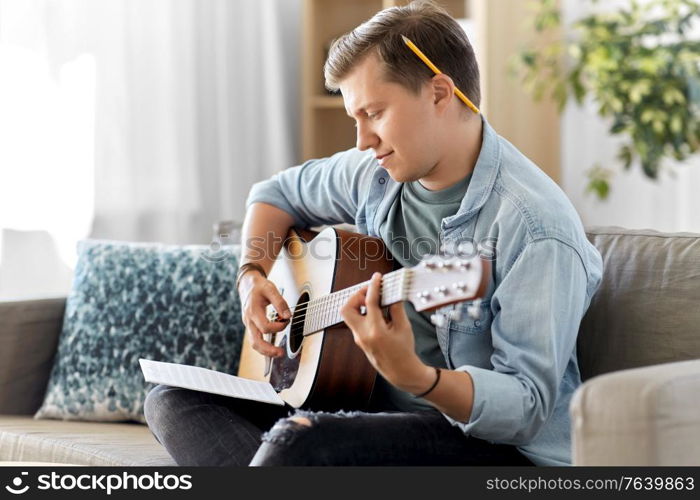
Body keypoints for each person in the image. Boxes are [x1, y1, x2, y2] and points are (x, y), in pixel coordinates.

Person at [144, 0, 603, 466]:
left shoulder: (535, 227)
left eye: (375, 113)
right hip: (361, 405)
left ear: (440, 93)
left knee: (300, 443)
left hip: (484, 443)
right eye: (354, 118)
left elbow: (525, 406)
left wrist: (416, 376)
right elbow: (275, 193)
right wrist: (251, 276)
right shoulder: (377, 173)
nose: (362, 140)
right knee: (170, 399)